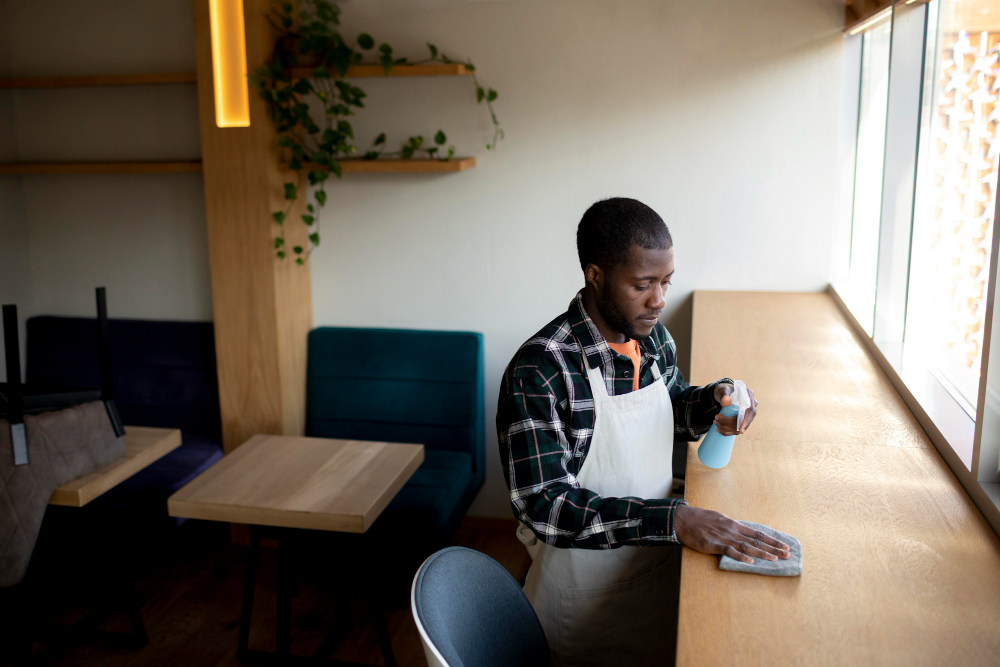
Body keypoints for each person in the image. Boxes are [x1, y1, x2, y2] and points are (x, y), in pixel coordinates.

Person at [496, 197, 790, 667]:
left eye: (666, 281)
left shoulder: (651, 338)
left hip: (656, 574)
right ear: (595, 275)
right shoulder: (542, 370)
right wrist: (672, 519)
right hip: (582, 604)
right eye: (643, 284)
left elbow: (668, 410)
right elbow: (545, 506)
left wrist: (713, 402)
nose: (659, 300)